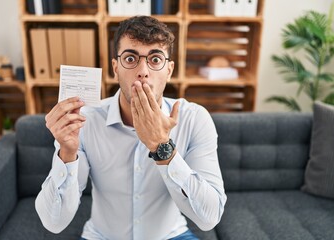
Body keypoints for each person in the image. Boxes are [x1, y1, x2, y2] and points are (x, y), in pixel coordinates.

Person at [35, 15, 227, 240]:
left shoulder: (194, 118)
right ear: (115, 67)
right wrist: (66, 153)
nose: (143, 71)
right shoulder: (83, 121)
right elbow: (54, 223)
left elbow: (209, 218)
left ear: (169, 70)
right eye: (130, 58)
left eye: (155, 59)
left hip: (171, 235)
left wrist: (162, 147)